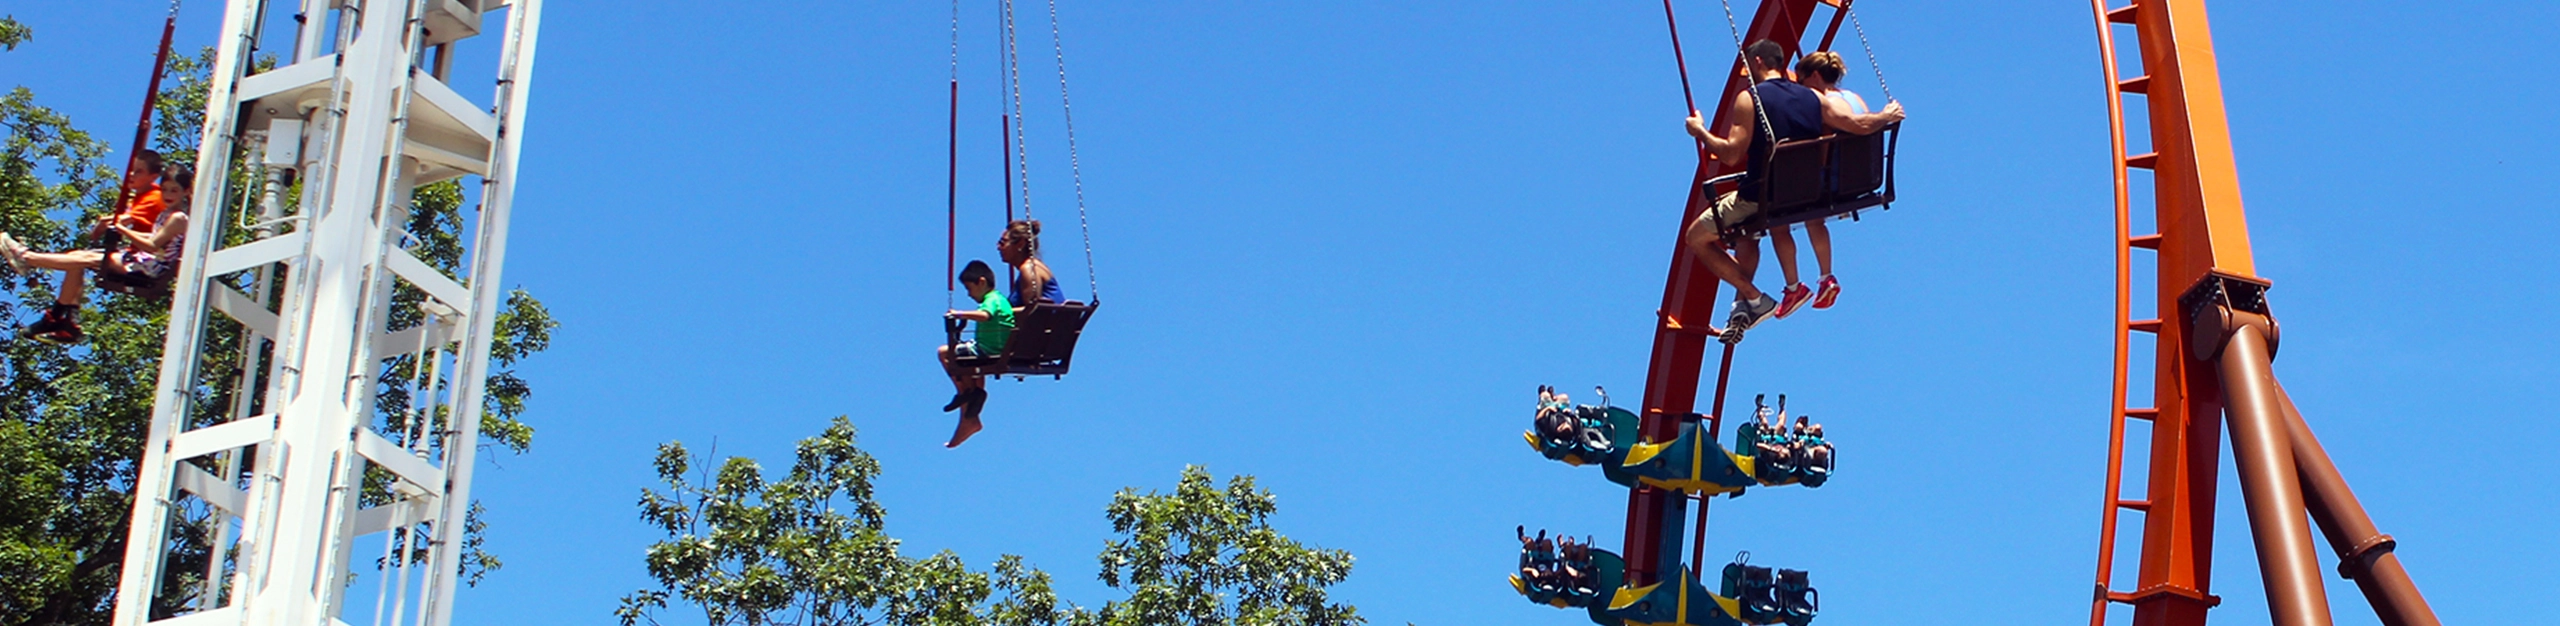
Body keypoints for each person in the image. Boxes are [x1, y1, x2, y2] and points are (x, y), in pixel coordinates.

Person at [1681, 40, 1827, 333]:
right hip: (1804, 193)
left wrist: (1700, 132)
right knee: (1746, 236)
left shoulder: (1751, 99)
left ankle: (1754, 297)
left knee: (1695, 237)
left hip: (1762, 195)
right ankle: (1742, 304)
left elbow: (1732, 153)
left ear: (1757, 61)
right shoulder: (1813, 97)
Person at [1767, 51, 1906, 317]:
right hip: (1861, 180)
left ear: (1815, 76)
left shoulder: (1822, 101)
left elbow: (1849, 129)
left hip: (1831, 183)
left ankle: (1793, 286)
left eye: (1802, 82)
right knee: (1813, 217)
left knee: (1778, 218)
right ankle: (1826, 276)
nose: (1801, 89)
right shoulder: (1854, 98)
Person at [2, 159, 191, 345]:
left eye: (174, 190)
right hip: (144, 260)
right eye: (165, 189)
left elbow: (151, 244)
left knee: (91, 258)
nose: (168, 194)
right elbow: (151, 237)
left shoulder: (178, 218)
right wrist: (124, 229)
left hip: (150, 267)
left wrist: (122, 229)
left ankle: (27, 258)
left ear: (186, 192)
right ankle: (64, 318)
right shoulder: (167, 213)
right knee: (76, 258)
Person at [935, 260, 1015, 447]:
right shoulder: (999, 299)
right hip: (991, 348)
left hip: (988, 350)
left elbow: (986, 315)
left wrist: (960, 314)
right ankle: (974, 394)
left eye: (969, 289)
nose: (969, 294)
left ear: (981, 282)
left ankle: (966, 391)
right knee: (966, 359)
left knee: (944, 352)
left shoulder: (992, 300)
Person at [998, 219, 1065, 307]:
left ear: (1020, 244)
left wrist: (999, 313)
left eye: (1002, 243)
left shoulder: (1029, 268)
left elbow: (1030, 311)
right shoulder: (1029, 269)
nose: (998, 248)